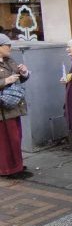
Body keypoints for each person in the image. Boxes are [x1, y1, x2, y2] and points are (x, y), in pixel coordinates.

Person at [0, 34, 31, 179]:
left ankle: (17, 165)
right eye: (8, 45)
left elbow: (19, 77)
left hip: (13, 106)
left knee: (16, 137)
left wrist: (24, 72)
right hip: (3, 110)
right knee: (6, 140)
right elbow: (7, 80)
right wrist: (5, 80)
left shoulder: (9, 60)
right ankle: (9, 169)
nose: (10, 48)